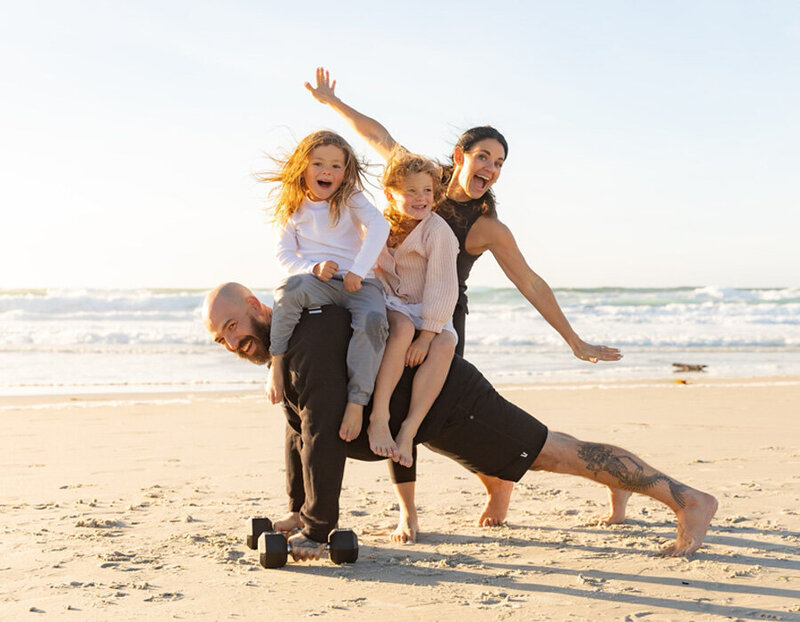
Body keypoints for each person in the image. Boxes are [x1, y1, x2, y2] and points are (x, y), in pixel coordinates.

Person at [305, 67, 623, 525]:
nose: (491, 169)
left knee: (431, 419)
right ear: (461, 155)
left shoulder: (486, 227)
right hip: (392, 308)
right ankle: (421, 507)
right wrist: (331, 103)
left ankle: (488, 485)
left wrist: (574, 341)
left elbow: (531, 282)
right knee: (422, 419)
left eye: (499, 164)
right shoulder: (419, 177)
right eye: (484, 157)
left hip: (438, 324)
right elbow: (377, 133)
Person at [203, 283, 718, 559]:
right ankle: (618, 483)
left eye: (233, 326)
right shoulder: (286, 347)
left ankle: (687, 499)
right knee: (552, 449)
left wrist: (318, 527)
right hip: (429, 417)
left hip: (451, 401)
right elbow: (297, 431)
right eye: (220, 339)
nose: (231, 342)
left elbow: (318, 432)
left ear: (255, 304)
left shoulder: (304, 342)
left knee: (548, 453)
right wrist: (297, 509)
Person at [259, 129, 390, 442]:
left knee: (372, 323)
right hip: (316, 281)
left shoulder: (351, 198)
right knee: (287, 291)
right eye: (319, 163)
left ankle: (357, 403)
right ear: (303, 166)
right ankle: (276, 364)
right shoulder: (292, 208)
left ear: (345, 173)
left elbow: (379, 225)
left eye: (336, 166)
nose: (327, 171)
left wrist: (358, 270)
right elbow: (284, 254)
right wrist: (311, 268)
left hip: (359, 283)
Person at [368, 150, 459, 467]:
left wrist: (428, 336)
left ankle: (409, 429)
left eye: (428, 191)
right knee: (403, 329)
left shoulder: (437, 231)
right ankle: (379, 415)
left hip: (428, 307)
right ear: (390, 193)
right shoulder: (379, 225)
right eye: (411, 191)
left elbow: (444, 286)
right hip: (392, 301)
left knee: (446, 343)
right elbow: (366, 262)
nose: (421, 198)